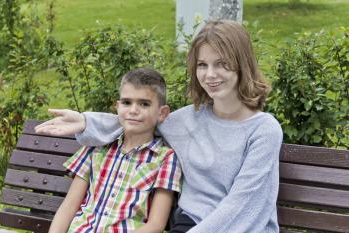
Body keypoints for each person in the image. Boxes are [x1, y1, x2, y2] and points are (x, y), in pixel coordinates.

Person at [36, 20, 283, 233]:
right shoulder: (186, 120)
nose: (210, 75)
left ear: (242, 64)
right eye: (202, 65)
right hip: (188, 224)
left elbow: (244, 205)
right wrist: (86, 122)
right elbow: (139, 121)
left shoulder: (263, 130)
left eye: (221, 64)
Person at [46, 68, 182, 233]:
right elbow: (68, 207)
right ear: (117, 107)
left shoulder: (165, 158)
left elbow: (155, 225)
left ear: (162, 113)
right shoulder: (97, 147)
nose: (133, 110)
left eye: (144, 104)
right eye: (126, 102)